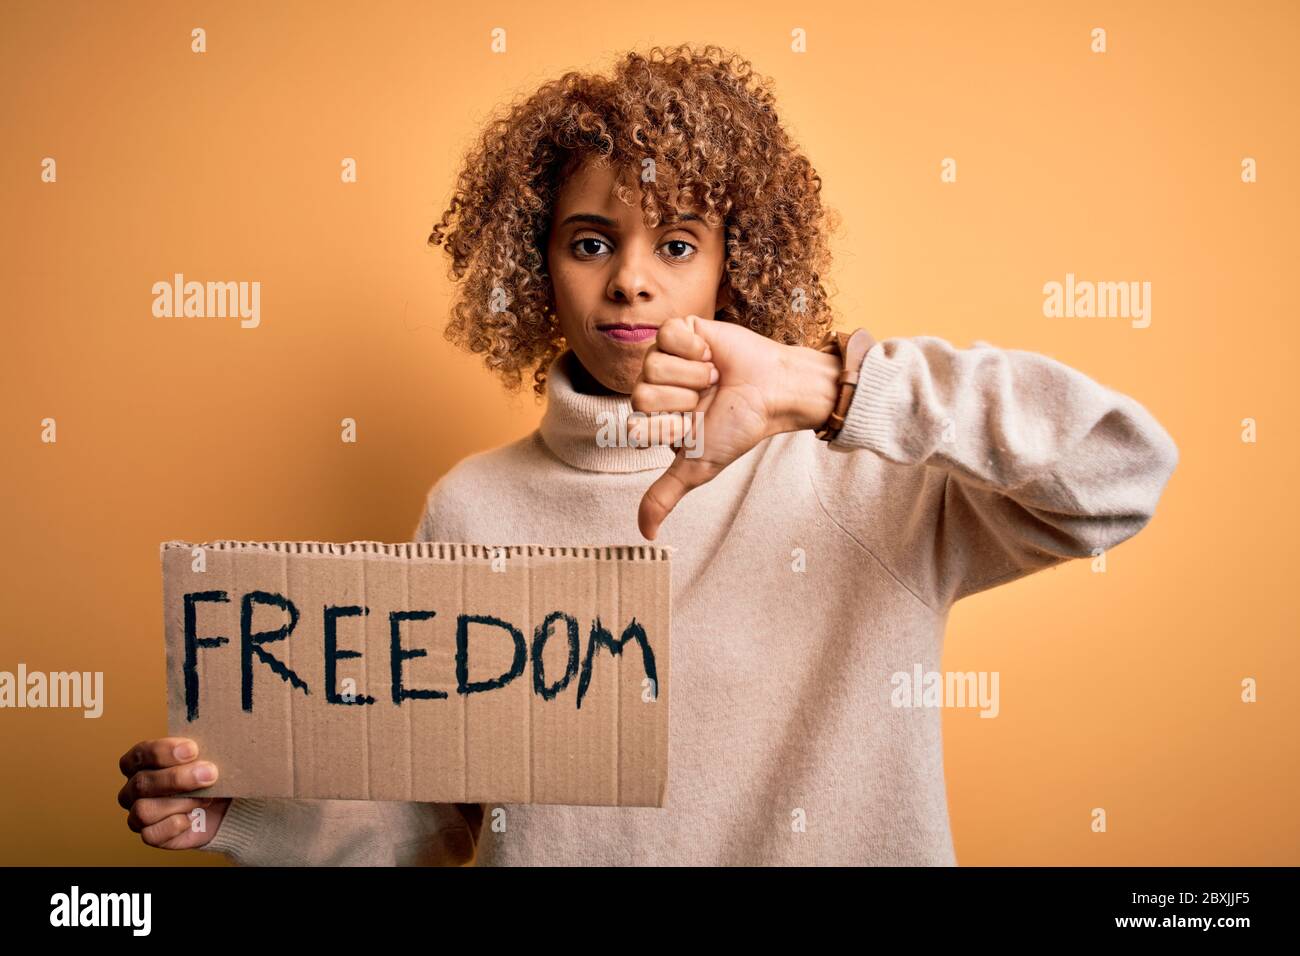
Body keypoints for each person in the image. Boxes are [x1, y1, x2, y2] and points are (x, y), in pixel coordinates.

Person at [117, 43, 1178, 866]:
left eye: (675, 243)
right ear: (538, 265)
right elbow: (430, 820)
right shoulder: (473, 509)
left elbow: (1119, 468)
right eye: (591, 241)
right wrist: (235, 810)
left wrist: (828, 385)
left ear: (732, 265)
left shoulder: (859, 468)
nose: (631, 279)